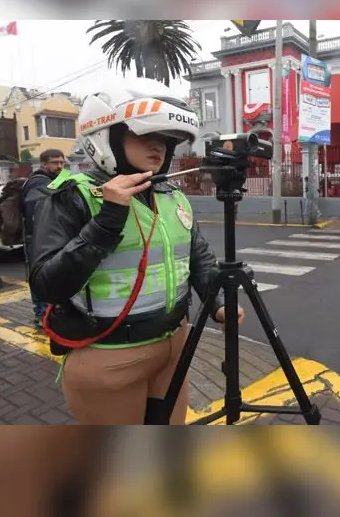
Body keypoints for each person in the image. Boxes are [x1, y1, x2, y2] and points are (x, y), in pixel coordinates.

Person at [29, 78, 244, 425]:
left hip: (174, 346)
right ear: (106, 137)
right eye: (145, 135)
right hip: (110, 355)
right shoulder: (71, 196)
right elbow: (47, 284)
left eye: (165, 139)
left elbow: (198, 257)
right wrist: (107, 219)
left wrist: (217, 302)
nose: (158, 146)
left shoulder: (171, 195)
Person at [20, 149, 68, 327]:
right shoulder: (38, 183)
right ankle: (41, 314)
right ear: (44, 164)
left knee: (51, 273)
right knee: (40, 275)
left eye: (62, 162)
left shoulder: (50, 181)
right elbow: (36, 214)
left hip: (46, 236)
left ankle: (47, 312)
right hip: (38, 237)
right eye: (55, 162)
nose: (59, 166)